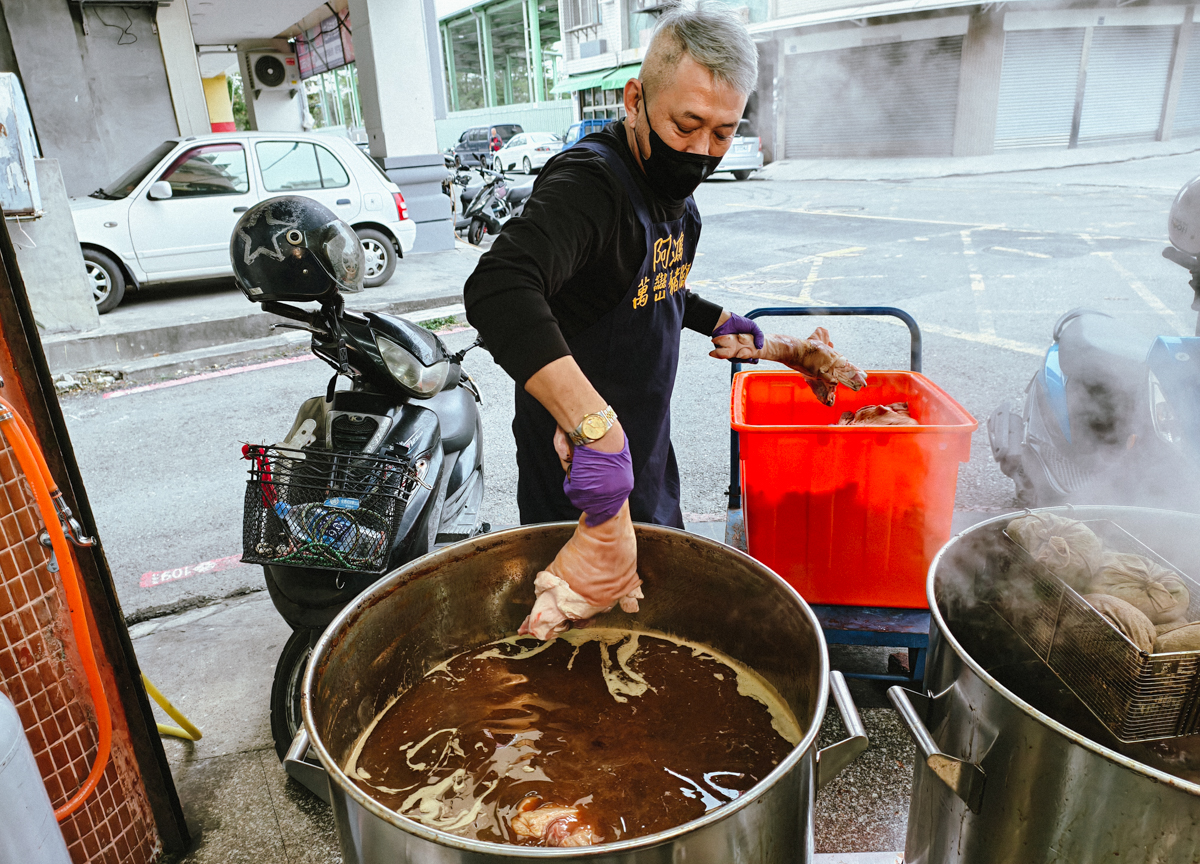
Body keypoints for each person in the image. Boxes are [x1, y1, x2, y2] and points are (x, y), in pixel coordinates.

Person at [463, 2, 866, 638]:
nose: (702, 151)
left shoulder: (676, 202)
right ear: (634, 100)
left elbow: (643, 284)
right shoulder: (590, 185)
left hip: (648, 462)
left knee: (652, 642)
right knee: (572, 650)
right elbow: (500, 287)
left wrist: (726, 323)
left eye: (723, 132)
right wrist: (595, 431)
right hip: (581, 481)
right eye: (686, 125)